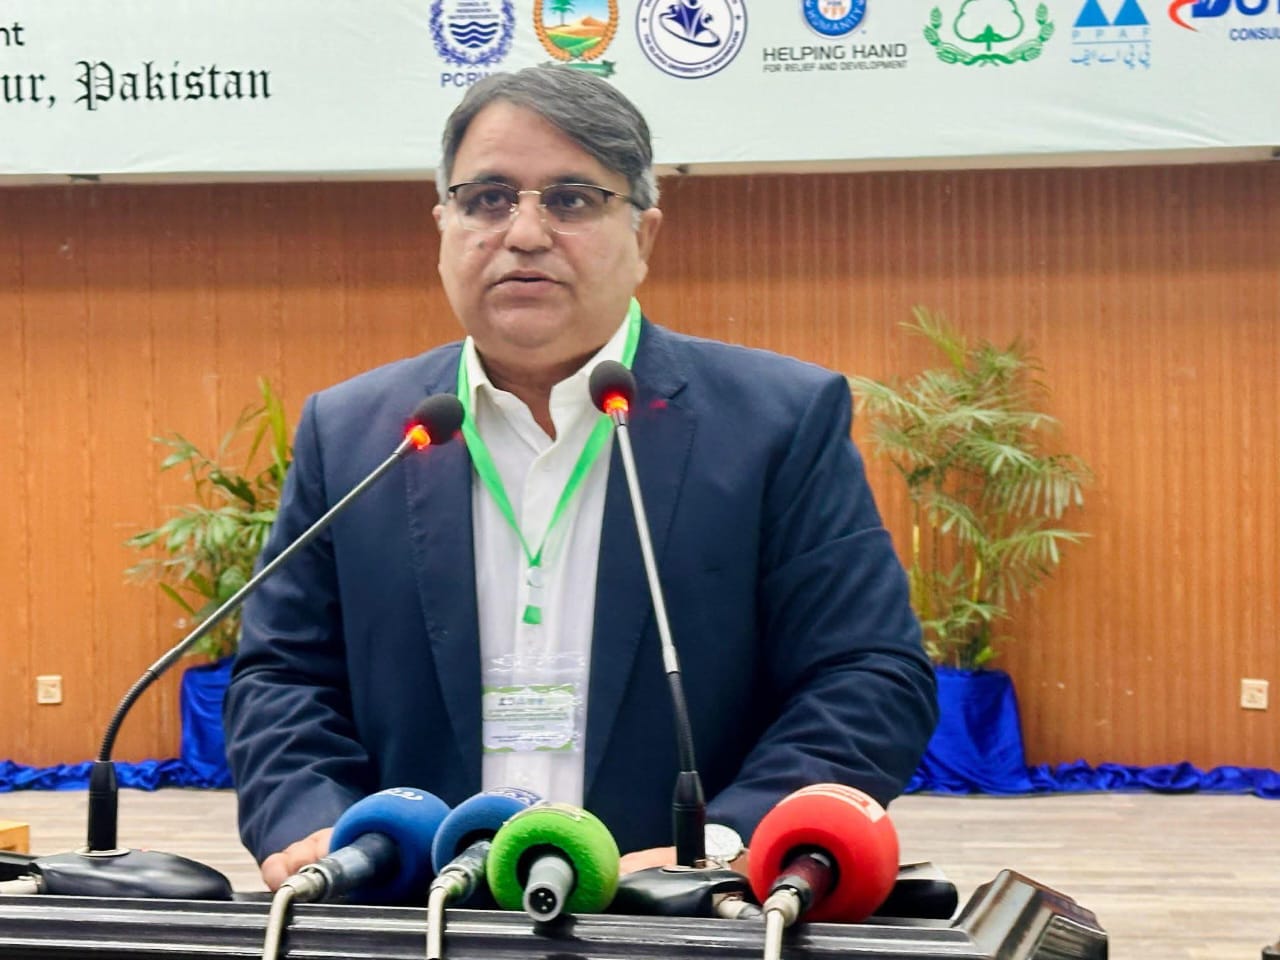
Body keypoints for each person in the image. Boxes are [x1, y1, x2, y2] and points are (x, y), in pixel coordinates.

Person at [224, 66, 938, 892]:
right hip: (413, 910)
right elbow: (283, 678)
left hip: (678, 915)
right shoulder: (354, 433)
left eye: (570, 199)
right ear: (444, 225)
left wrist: (728, 843)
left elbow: (866, 675)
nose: (524, 233)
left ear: (644, 236)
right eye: (488, 198)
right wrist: (318, 823)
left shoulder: (775, 422)